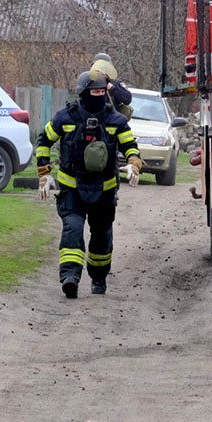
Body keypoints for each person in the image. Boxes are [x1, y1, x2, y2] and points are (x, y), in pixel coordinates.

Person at [35, 71, 142, 298]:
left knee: (101, 236)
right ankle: (70, 278)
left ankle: (99, 276)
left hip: (104, 190)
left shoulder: (115, 120)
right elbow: (44, 140)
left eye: (102, 92)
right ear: (83, 93)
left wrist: (134, 163)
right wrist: (44, 173)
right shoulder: (65, 118)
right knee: (72, 229)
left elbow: (130, 146)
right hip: (71, 188)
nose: (99, 96)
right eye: (94, 92)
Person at [88, 52, 133, 118]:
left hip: (111, 118)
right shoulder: (88, 80)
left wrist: (113, 89)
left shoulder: (115, 83)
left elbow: (127, 99)